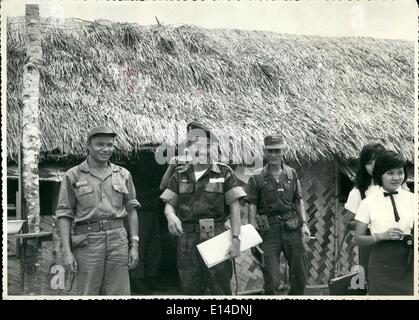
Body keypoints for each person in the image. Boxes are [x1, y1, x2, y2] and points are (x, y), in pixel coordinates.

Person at [160, 124, 246, 295]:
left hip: (217, 235)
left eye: (204, 145)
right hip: (187, 240)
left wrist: (236, 239)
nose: (199, 150)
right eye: (194, 144)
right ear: (188, 148)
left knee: (219, 286)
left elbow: (235, 207)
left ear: (210, 148)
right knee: (189, 287)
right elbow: (169, 203)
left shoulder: (224, 172)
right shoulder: (179, 174)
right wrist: (170, 215)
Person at [56, 126, 141, 295]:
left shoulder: (123, 174)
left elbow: (131, 210)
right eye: (100, 144)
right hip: (87, 243)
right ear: (88, 145)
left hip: (118, 241)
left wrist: (134, 245)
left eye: (109, 144)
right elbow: (64, 215)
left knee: (119, 293)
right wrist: (66, 252)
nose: (106, 149)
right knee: (87, 292)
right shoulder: (73, 175)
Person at [246, 135, 310, 295]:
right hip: (268, 232)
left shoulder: (291, 173)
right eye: (270, 151)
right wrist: (252, 230)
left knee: (300, 277)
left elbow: (298, 200)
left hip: (292, 227)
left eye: (277, 151)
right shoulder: (257, 177)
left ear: (283, 152)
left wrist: (304, 224)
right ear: (265, 152)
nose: (274, 155)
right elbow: (252, 204)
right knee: (272, 280)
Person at [354, 151, 414, 295]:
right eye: (390, 173)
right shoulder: (368, 202)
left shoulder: (413, 199)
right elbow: (358, 239)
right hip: (381, 264)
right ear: (380, 174)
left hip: (410, 262)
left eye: (400, 172)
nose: (396, 177)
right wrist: (381, 236)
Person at [343, 143, 385, 283]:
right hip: (369, 242)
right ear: (363, 165)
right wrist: (367, 221)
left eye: (377, 162)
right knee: (370, 280)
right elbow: (346, 223)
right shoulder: (358, 192)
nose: (373, 166)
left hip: (392, 241)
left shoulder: (394, 185)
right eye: (368, 163)